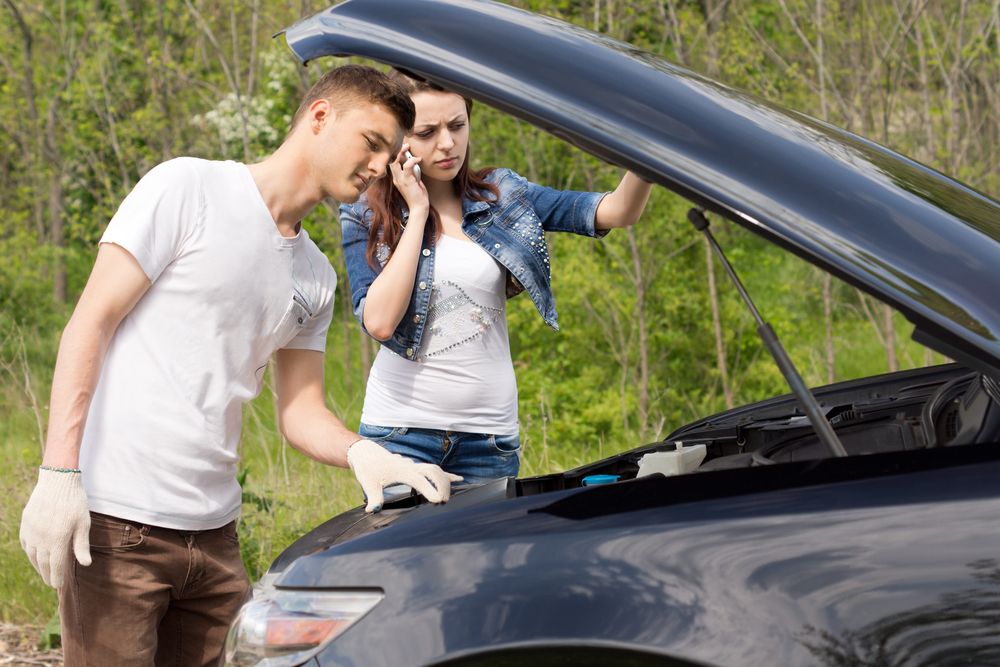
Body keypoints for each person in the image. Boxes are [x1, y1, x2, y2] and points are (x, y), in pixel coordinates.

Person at [18, 64, 461, 667]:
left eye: (391, 152)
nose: (381, 166)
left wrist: (365, 452)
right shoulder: (188, 189)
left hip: (216, 541)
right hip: (120, 529)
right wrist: (58, 474)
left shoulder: (316, 276)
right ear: (320, 116)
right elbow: (89, 323)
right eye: (372, 142)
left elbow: (301, 410)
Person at [340, 71, 653, 485]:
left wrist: (649, 153)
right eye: (427, 132)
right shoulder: (365, 213)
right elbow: (379, 322)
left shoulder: (502, 194)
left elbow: (615, 211)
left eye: (457, 125)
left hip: (489, 440)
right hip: (400, 435)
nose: (448, 143)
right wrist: (417, 212)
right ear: (401, 140)